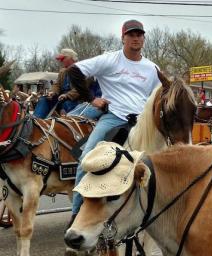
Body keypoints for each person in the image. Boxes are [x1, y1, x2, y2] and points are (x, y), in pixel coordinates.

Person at [67, 19, 160, 221]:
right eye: (131, 35)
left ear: (143, 38)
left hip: (143, 123)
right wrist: (91, 99)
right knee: (86, 161)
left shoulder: (152, 68)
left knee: (161, 163)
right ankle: (76, 215)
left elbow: (161, 95)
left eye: (139, 35)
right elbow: (73, 71)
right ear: (123, 38)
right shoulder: (110, 60)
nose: (135, 38)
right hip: (114, 118)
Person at [33, 49, 81, 118]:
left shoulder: (82, 70)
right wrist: (53, 92)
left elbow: (80, 89)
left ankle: (64, 124)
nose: (61, 61)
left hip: (76, 100)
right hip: (61, 99)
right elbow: (57, 84)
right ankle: (36, 121)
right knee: (43, 99)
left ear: (70, 58)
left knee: (65, 105)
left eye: (63, 59)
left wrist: (67, 95)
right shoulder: (63, 71)